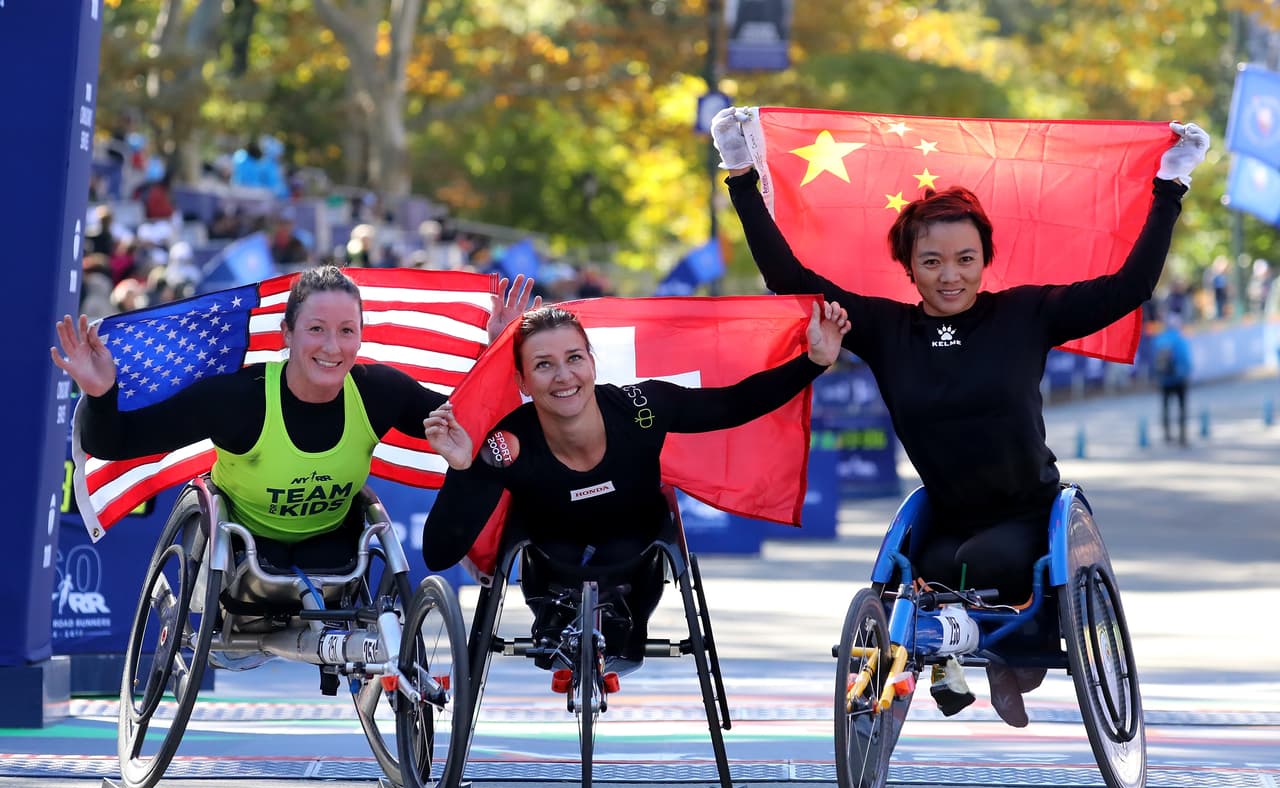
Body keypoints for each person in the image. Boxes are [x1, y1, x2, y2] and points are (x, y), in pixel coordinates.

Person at [711, 106, 1209, 726]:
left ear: (984, 259)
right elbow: (786, 276)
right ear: (909, 266)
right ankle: (952, 664)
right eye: (933, 262)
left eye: (966, 259)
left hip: (1025, 510)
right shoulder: (888, 328)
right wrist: (739, 176)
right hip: (944, 511)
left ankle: (998, 658)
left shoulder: (1027, 314)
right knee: (918, 578)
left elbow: (1129, 287)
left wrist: (1170, 187)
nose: (951, 276)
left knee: (980, 566)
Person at [419, 300, 849, 676]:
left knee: (627, 549)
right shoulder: (507, 441)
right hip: (551, 573)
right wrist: (462, 468)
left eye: (574, 358)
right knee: (559, 552)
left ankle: (618, 627)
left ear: (591, 361)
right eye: (543, 365)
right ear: (522, 382)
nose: (563, 376)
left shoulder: (640, 408)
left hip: (635, 568)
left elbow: (734, 404)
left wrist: (813, 362)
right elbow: (439, 552)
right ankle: (558, 625)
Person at [50, 265, 538, 575]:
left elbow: (471, 430)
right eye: (316, 330)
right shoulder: (239, 399)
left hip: (335, 547)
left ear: (361, 338)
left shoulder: (378, 392)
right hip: (242, 551)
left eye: (347, 331)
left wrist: (500, 357)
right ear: (286, 334)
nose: (332, 347)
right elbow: (117, 442)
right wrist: (100, 392)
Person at [1149, 314, 1193, 446]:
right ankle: (1182, 435)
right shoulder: (1180, 339)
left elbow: (1153, 361)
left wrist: (1156, 377)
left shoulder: (1159, 339)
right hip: (1179, 379)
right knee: (1182, 407)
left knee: (1166, 407)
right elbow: (1186, 360)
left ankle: (1167, 434)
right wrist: (1186, 374)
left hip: (1164, 379)